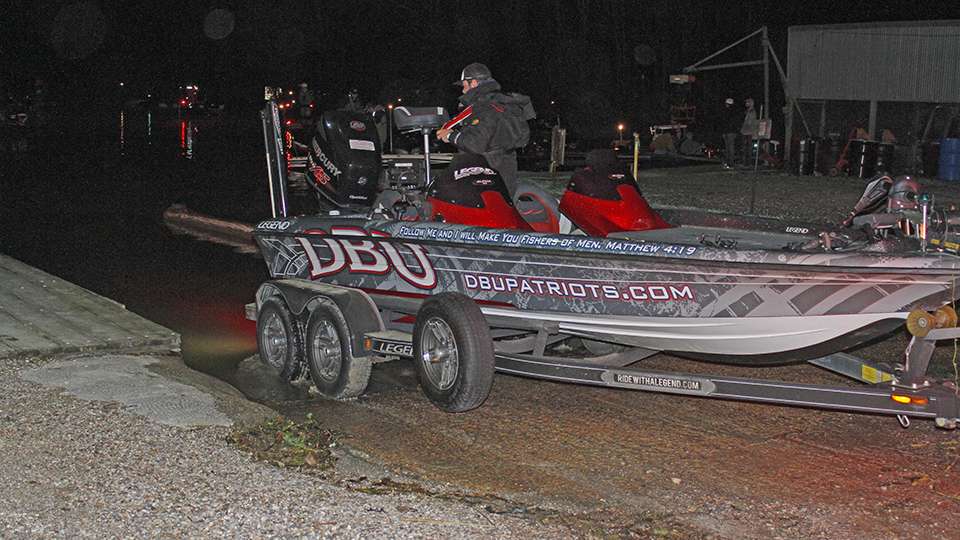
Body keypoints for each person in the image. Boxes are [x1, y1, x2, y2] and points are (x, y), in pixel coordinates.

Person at [436, 62, 535, 196]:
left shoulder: (484, 107)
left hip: (486, 175)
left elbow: (475, 144)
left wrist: (450, 135)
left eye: (464, 85)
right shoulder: (503, 103)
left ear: (473, 83)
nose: (463, 90)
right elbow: (522, 138)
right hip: (507, 170)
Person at [721, 98, 739, 167]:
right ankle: (728, 162)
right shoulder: (728, 112)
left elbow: (730, 123)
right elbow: (724, 122)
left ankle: (730, 162)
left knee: (730, 147)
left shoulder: (732, 112)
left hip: (730, 132)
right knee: (728, 147)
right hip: (728, 131)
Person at [740, 98, 759, 164]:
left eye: (747, 102)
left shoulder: (752, 111)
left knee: (748, 147)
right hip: (744, 131)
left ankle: (748, 162)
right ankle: (744, 161)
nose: (746, 104)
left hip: (749, 131)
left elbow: (750, 122)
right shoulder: (747, 111)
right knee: (744, 147)